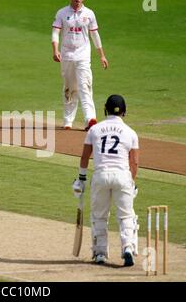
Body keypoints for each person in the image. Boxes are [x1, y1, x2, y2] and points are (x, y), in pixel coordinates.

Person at [72, 94, 139, 266]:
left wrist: (81, 179)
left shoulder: (95, 130)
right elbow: (134, 162)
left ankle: (100, 252)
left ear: (105, 109)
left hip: (101, 176)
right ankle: (128, 248)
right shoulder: (131, 133)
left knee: (99, 216)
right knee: (126, 216)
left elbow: (85, 156)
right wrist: (132, 182)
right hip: (122, 176)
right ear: (124, 112)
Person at [51, 0, 108, 131]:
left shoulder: (89, 13)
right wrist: (55, 50)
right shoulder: (62, 13)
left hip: (83, 56)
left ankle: (90, 119)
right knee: (70, 88)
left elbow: (95, 35)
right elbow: (55, 32)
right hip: (67, 55)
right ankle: (68, 120)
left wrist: (101, 55)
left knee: (85, 86)